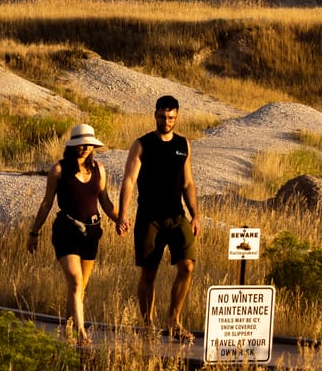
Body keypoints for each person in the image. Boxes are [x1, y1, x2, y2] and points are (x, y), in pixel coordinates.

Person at [117, 94, 202, 341]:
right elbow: (129, 181)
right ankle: (148, 325)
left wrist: (195, 215)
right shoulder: (142, 144)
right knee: (148, 273)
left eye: (171, 117)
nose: (166, 121)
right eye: (163, 116)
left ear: (176, 117)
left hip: (177, 216)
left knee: (187, 265)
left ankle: (174, 321)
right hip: (149, 219)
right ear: (155, 114)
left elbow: (188, 183)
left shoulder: (184, 144)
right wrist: (123, 214)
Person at [27, 123, 119, 346]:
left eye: (88, 144)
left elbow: (105, 201)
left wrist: (120, 220)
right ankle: (81, 334)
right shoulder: (59, 170)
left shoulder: (99, 170)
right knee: (76, 281)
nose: (85, 148)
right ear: (72, 145)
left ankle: (68, 332)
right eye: (80, 144)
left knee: (78, 288)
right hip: (66, 231)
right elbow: (47, 203)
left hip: (92, 233)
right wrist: (34, 232)